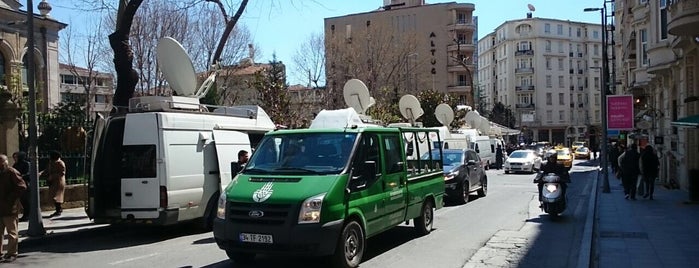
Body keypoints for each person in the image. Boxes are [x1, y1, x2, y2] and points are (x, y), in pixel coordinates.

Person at [0, 154, 27, 263]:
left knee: (12, 232)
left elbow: (21, 186)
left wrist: (10, 199)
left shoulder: (11, 172)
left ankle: (12, 253)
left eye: (2, 162)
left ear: (6, 162)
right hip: (1, 208)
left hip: (9, 208)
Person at [39, 151, 66, 217]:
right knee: (54, 196)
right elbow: (47, 170)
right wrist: (41, 173)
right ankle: (58, 209)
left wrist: (52, 176)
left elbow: (62, 173)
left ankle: (58, 210)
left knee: (57, 196)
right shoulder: (51, 163)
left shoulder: (60, 163)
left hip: (58, 181)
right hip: (53, 182)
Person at [11, 152, 30, 222]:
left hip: (25, 184)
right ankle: (25, 215)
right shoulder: (15, 165)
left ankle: (27, 215)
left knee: (26, 201)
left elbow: (28, 174)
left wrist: (20, 177)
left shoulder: (26, 164)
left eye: (16, 157)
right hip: (17, 185)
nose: (14, 159)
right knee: (22, 201)